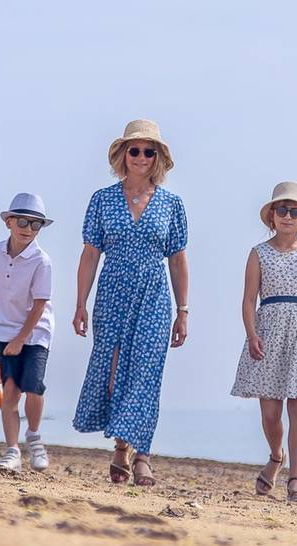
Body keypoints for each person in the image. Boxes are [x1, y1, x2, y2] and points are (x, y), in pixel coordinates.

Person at [72, 119, 189, 487]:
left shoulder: (172, 204)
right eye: (134, 150)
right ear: (123, 155)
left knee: (146, 372)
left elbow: (178, 258)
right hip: (112, 292)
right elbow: (90, 254)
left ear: (158, 158)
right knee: (113, 370)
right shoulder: (102, 199)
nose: (141, 157)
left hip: (154, 295)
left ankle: (142, 454)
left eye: (148, 151)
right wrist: (80, 303)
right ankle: (121, 448)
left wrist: (183, 310)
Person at [231, 181, 297, 503]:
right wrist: (251, 333)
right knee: (270, 413)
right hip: (267, 332)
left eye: (295, 211)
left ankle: (296, 479)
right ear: (272, 217)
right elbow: (249, 299)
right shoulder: (258, 253)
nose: (288, 216)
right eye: (282, 210)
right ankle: (276, 455)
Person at [0, 192, 55, 472]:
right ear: (8, 222)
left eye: (35, 224)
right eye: (22, 221)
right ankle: (12, 451)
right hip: (5, 330)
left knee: (34, 387)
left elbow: (40, 305)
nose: (28, 229)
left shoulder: (42, 261)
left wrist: (21, 340)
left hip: (36, 332)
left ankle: (34, 436)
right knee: (10, 392)